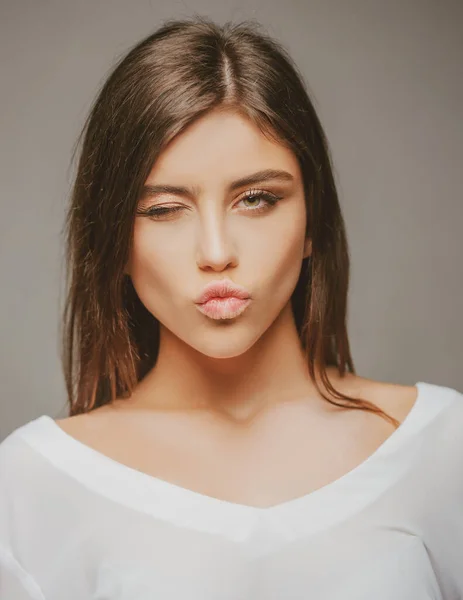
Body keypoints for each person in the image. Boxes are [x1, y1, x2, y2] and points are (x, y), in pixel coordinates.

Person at [0, 15, 461, 600]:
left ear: (313, 221)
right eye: (164, 209)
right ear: (112, 240)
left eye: (257, 199)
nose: (216, 253)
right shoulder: (33, 483)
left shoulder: (441, 447)